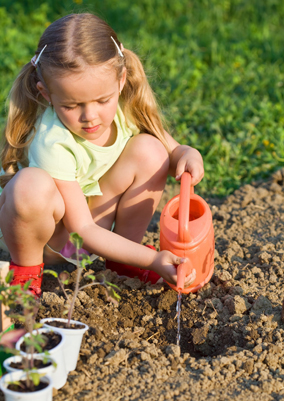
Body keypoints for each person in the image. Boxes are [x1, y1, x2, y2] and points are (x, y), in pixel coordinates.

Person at [0, 13, 204, 297]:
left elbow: (173, 152)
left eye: (102, 100)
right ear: (46, 94)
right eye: (72, 105)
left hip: (95, 229)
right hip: (53, 241)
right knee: (29, 186)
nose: (90, 116)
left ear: (120, 81)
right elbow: (80, 228)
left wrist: (188, 153)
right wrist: (153, 260)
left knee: (151, 150)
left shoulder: (125, 107)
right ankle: (26, 273)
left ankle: (122, 258)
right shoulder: (52, 140)